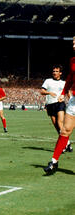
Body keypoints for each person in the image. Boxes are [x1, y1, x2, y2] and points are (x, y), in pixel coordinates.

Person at [44, 38, 75, 175]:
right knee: (65, 130)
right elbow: (70, 78)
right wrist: (63, 93)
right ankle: (54, 162)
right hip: (74, 99)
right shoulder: (73, 60)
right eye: (73, 43)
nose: (73, 45)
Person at [40, 65, 72, 152]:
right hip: (50, 105)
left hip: (60, 103)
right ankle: (67, 143)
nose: (54, 72)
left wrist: (71, 101)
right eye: (54, 71)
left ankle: (63, 146)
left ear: (60, 73)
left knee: (60, 123)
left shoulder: (63, 83)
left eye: (57, 71)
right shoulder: (48, 81)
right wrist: (49, 92)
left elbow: (68, 93)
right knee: (57, 127)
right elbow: (42, 91)